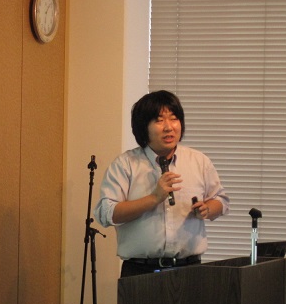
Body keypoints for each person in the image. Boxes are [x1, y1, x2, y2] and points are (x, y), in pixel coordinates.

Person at [93, 90, 229, 277]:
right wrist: (154, 198)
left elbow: (221, 200)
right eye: (159, 120)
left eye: (174, 119)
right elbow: (106, 213)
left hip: (190, 269)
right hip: (140, 271)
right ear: (143, 127)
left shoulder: (199, 161)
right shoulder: (126, 164)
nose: (168, 127)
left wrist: (207, 209)